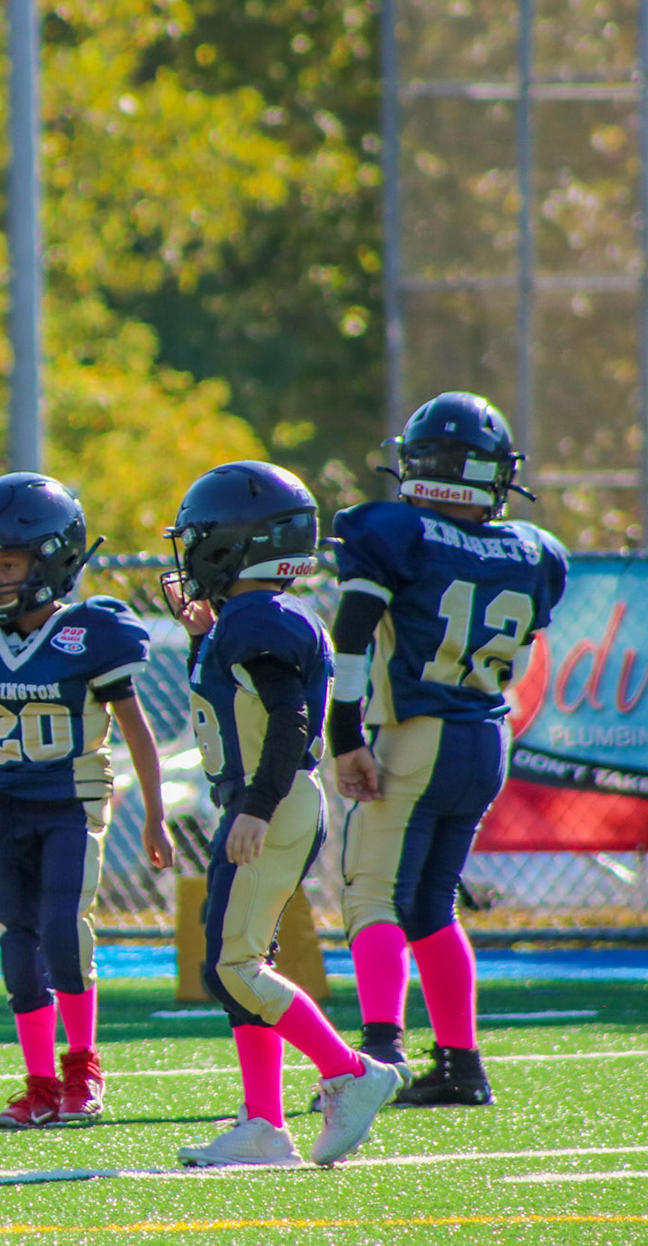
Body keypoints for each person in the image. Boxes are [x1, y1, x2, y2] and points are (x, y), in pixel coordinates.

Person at [163, 460, 404, 1169]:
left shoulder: (258, 620)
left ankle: (350, 1073)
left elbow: (289, 719)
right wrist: (201, 634)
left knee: (233, 965)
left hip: (270, 801)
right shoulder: (255, 617)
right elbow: (238, 700)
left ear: (232, 546)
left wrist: (257, 808)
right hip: (271, 800)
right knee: (238, 961)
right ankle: (264, 1124)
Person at [331, 392, 568, 1105]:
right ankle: (461, 1065)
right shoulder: (532, 550)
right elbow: (518, 649)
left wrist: (344, 735)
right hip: (486, 734)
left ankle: (379, 1057)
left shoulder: (395, 530)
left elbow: (351, 637)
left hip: (418, 730)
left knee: (372, 894)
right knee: (433, 904)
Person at [0, 474, 173, 1128]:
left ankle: (82, 1066)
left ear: (53, 561)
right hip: (8, 802)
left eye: (8, 564)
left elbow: (137, 730)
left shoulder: (92, 632)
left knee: (62, 928)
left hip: (72, 801)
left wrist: (155, 814)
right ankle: (38, 1083)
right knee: (16, 941)